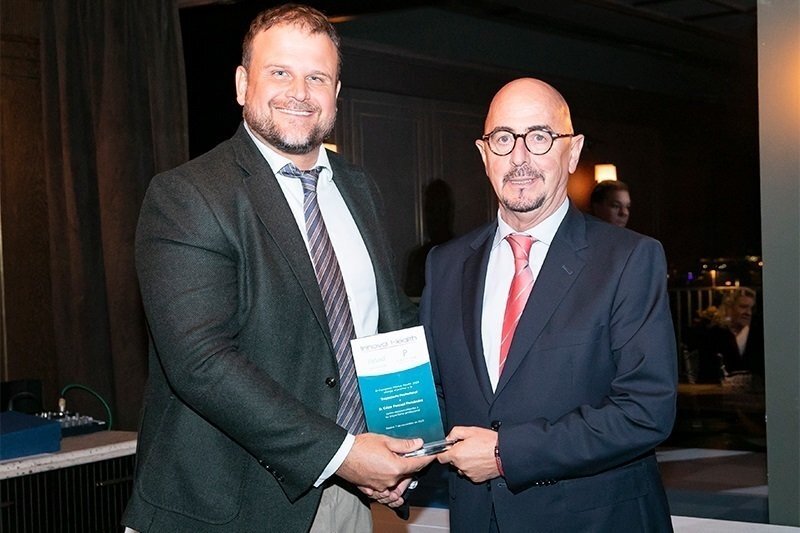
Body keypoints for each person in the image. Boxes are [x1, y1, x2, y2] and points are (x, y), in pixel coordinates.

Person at [122, 5, 432, 532]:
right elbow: (201, 362)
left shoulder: (359, 189)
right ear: (243, 84)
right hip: (225, 508)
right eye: (280, 72)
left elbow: (389, 326)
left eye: (317, 77)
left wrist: (407, 444)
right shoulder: (188, 195)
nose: (300, 92)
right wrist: (342, 454)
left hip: (349, 501)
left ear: (336, 92)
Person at [420, 78, 677, 532]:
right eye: (503, 139)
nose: (519, 157)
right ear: (484, 154)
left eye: (539, 137)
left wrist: (505, 454)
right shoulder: (445, 265)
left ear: (572, 152)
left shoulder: (629, 259)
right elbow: (437, 394)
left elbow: (645, 411)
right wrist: (401, 456)